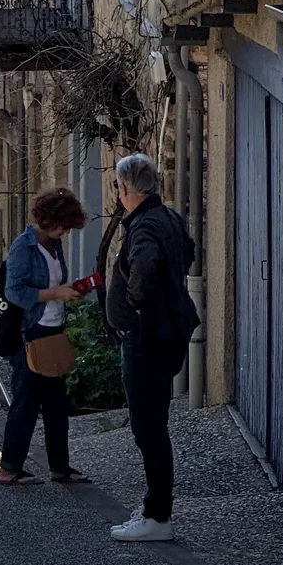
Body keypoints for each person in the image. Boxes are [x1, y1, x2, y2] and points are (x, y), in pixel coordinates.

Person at [105, 152, 198, 542]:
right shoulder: (169, 217)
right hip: (166, 334)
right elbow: (189, 251)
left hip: (148, 339)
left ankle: (158, 517)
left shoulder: (144, 226)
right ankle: (153, 509)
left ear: (126, 188)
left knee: (149, 429)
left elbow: (144, 267)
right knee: (152, 425)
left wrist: (136, 304)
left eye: (117, 186)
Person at [0, 187, 90, 487]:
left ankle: (59, 468)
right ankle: (9, 469)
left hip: (53, 330)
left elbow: (54, 281)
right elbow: (14, 291)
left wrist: (70, 291)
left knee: (56, 404)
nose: (65, 231)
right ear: (50, 219)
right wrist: (53, 294)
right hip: (31, 332)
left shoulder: (53, 244)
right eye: (63, 225)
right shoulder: (23, 247)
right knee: (25, 402)